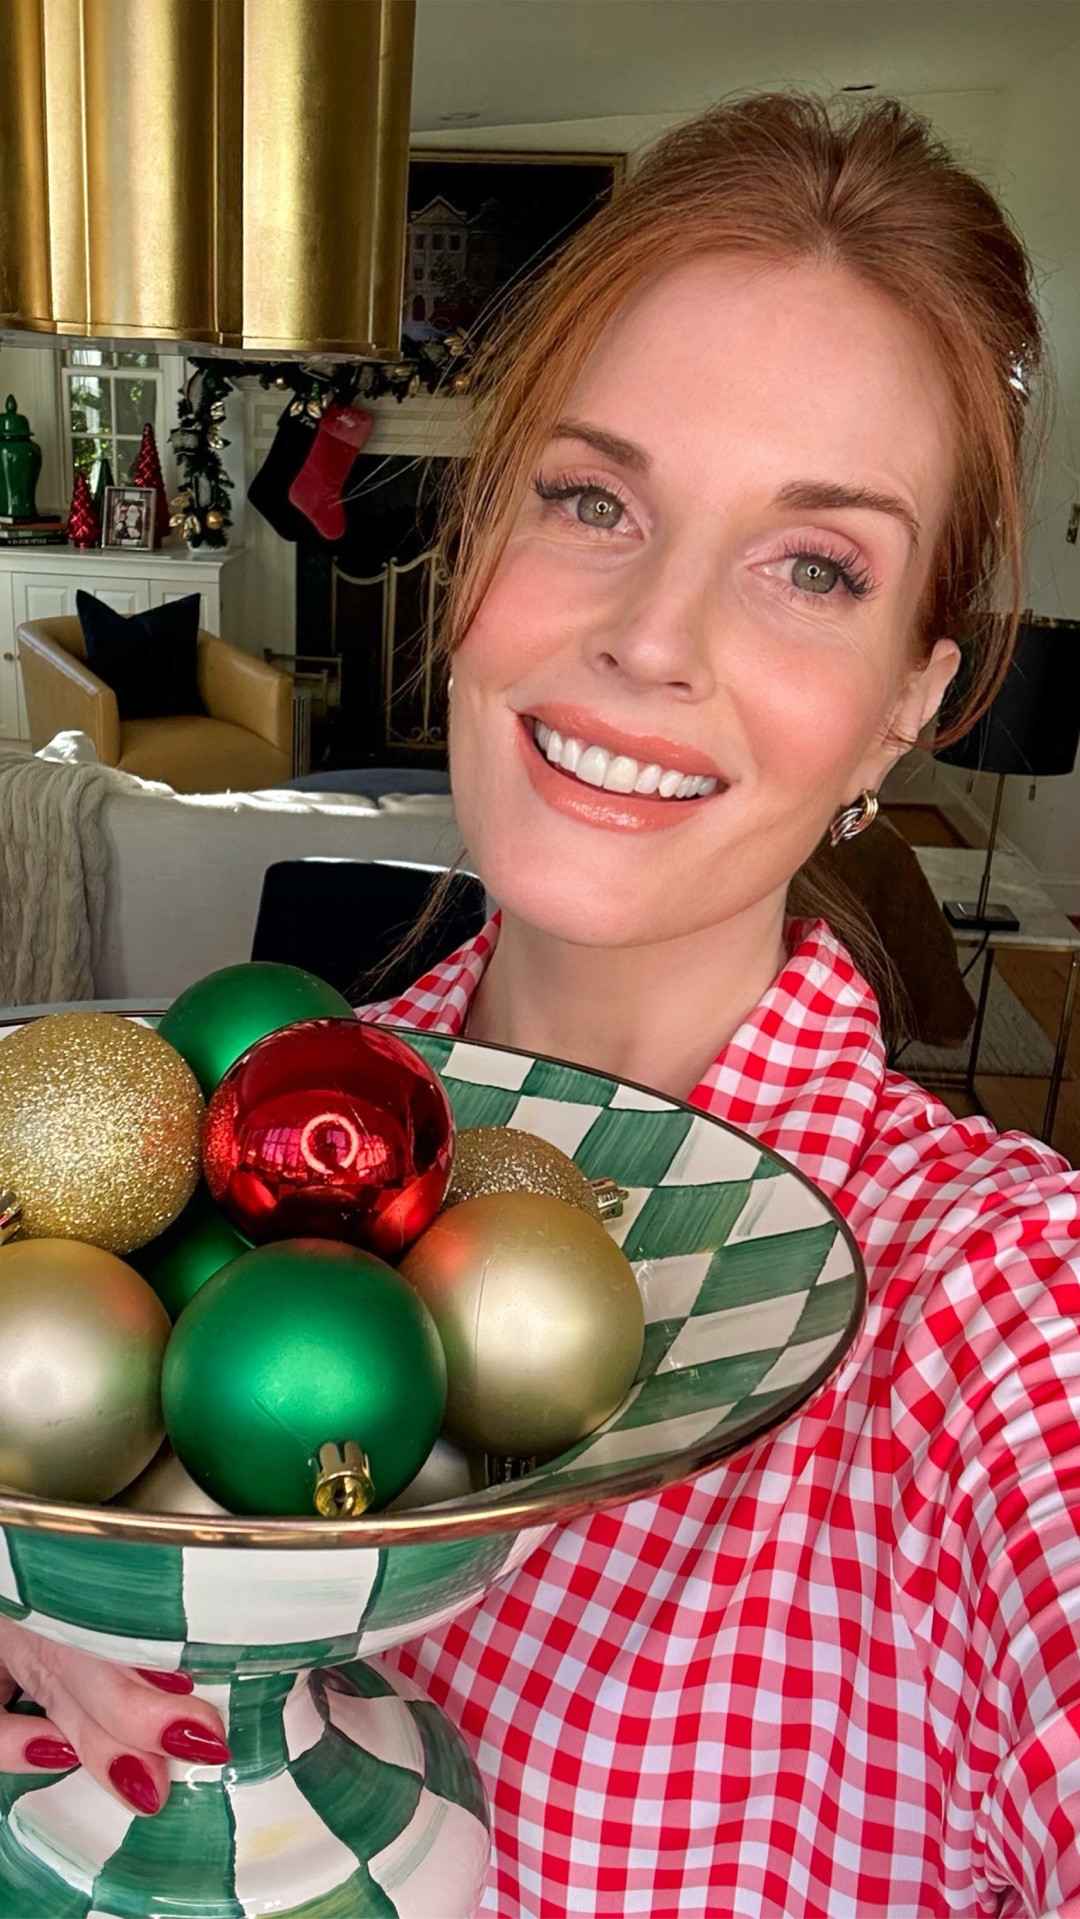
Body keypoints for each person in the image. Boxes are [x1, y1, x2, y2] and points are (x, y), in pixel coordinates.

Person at [0, 92, 1075, 1917]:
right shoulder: (155, 1153)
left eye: (817, 567)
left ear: (911, 698)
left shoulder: (989, 1308)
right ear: (477, 545)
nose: (654, 639)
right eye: (593, 499)